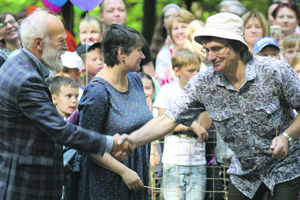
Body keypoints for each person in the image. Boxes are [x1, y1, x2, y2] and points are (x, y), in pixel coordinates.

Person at [119, 12, 300, 200]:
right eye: (206, 50)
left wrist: (287, 136)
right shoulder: (203, 83)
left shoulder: (274, 71)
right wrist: (131, 141)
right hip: (245, 173)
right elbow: (167, 120)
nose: (210, 57)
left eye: (217, 49)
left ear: (237, 46)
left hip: (284, 166)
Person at [0, 9, 133, 200]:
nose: (65, 47)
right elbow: (60, 130)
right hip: (26, 185)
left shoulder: (17, 65)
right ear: (38, 43)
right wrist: (109, 142)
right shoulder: (26, 79)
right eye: (60, 40)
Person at [77, 24, 153, 200]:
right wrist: (125, 172)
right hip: (107, 183)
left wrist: (144, 173)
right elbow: (88, 145)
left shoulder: (135, 79)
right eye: (138, 51)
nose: (143, 56)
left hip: (136, 178)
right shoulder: (97, 92)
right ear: (121, 54)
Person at [154, 48, 209, 200]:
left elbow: (205, 125)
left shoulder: (203, 93)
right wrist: (190, 125)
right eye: (191, 71)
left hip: (198, 162)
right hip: (173, 162)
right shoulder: (167, 91)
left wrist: (202, 95)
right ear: (177, 71)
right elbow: (162, 123)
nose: (196, 75)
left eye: (198, 70)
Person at [99, 0, 154, 77]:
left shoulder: (139, 42)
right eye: (110, 10)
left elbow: (150, 78)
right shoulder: (92, 42)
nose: (117, 14)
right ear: (101, 16)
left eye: (121, 10)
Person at [138, 71, 163, 200]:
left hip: (153, 168)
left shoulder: (157, 111)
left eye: (147, 88)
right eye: (140, 88)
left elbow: (155, 160)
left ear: (154, 90)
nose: (144, 92)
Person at [155, 9, 196, 86]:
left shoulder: (199, 53)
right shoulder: (164, 56)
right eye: (175, 28)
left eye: (184, 27)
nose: (179, 31)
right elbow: (159, 87)